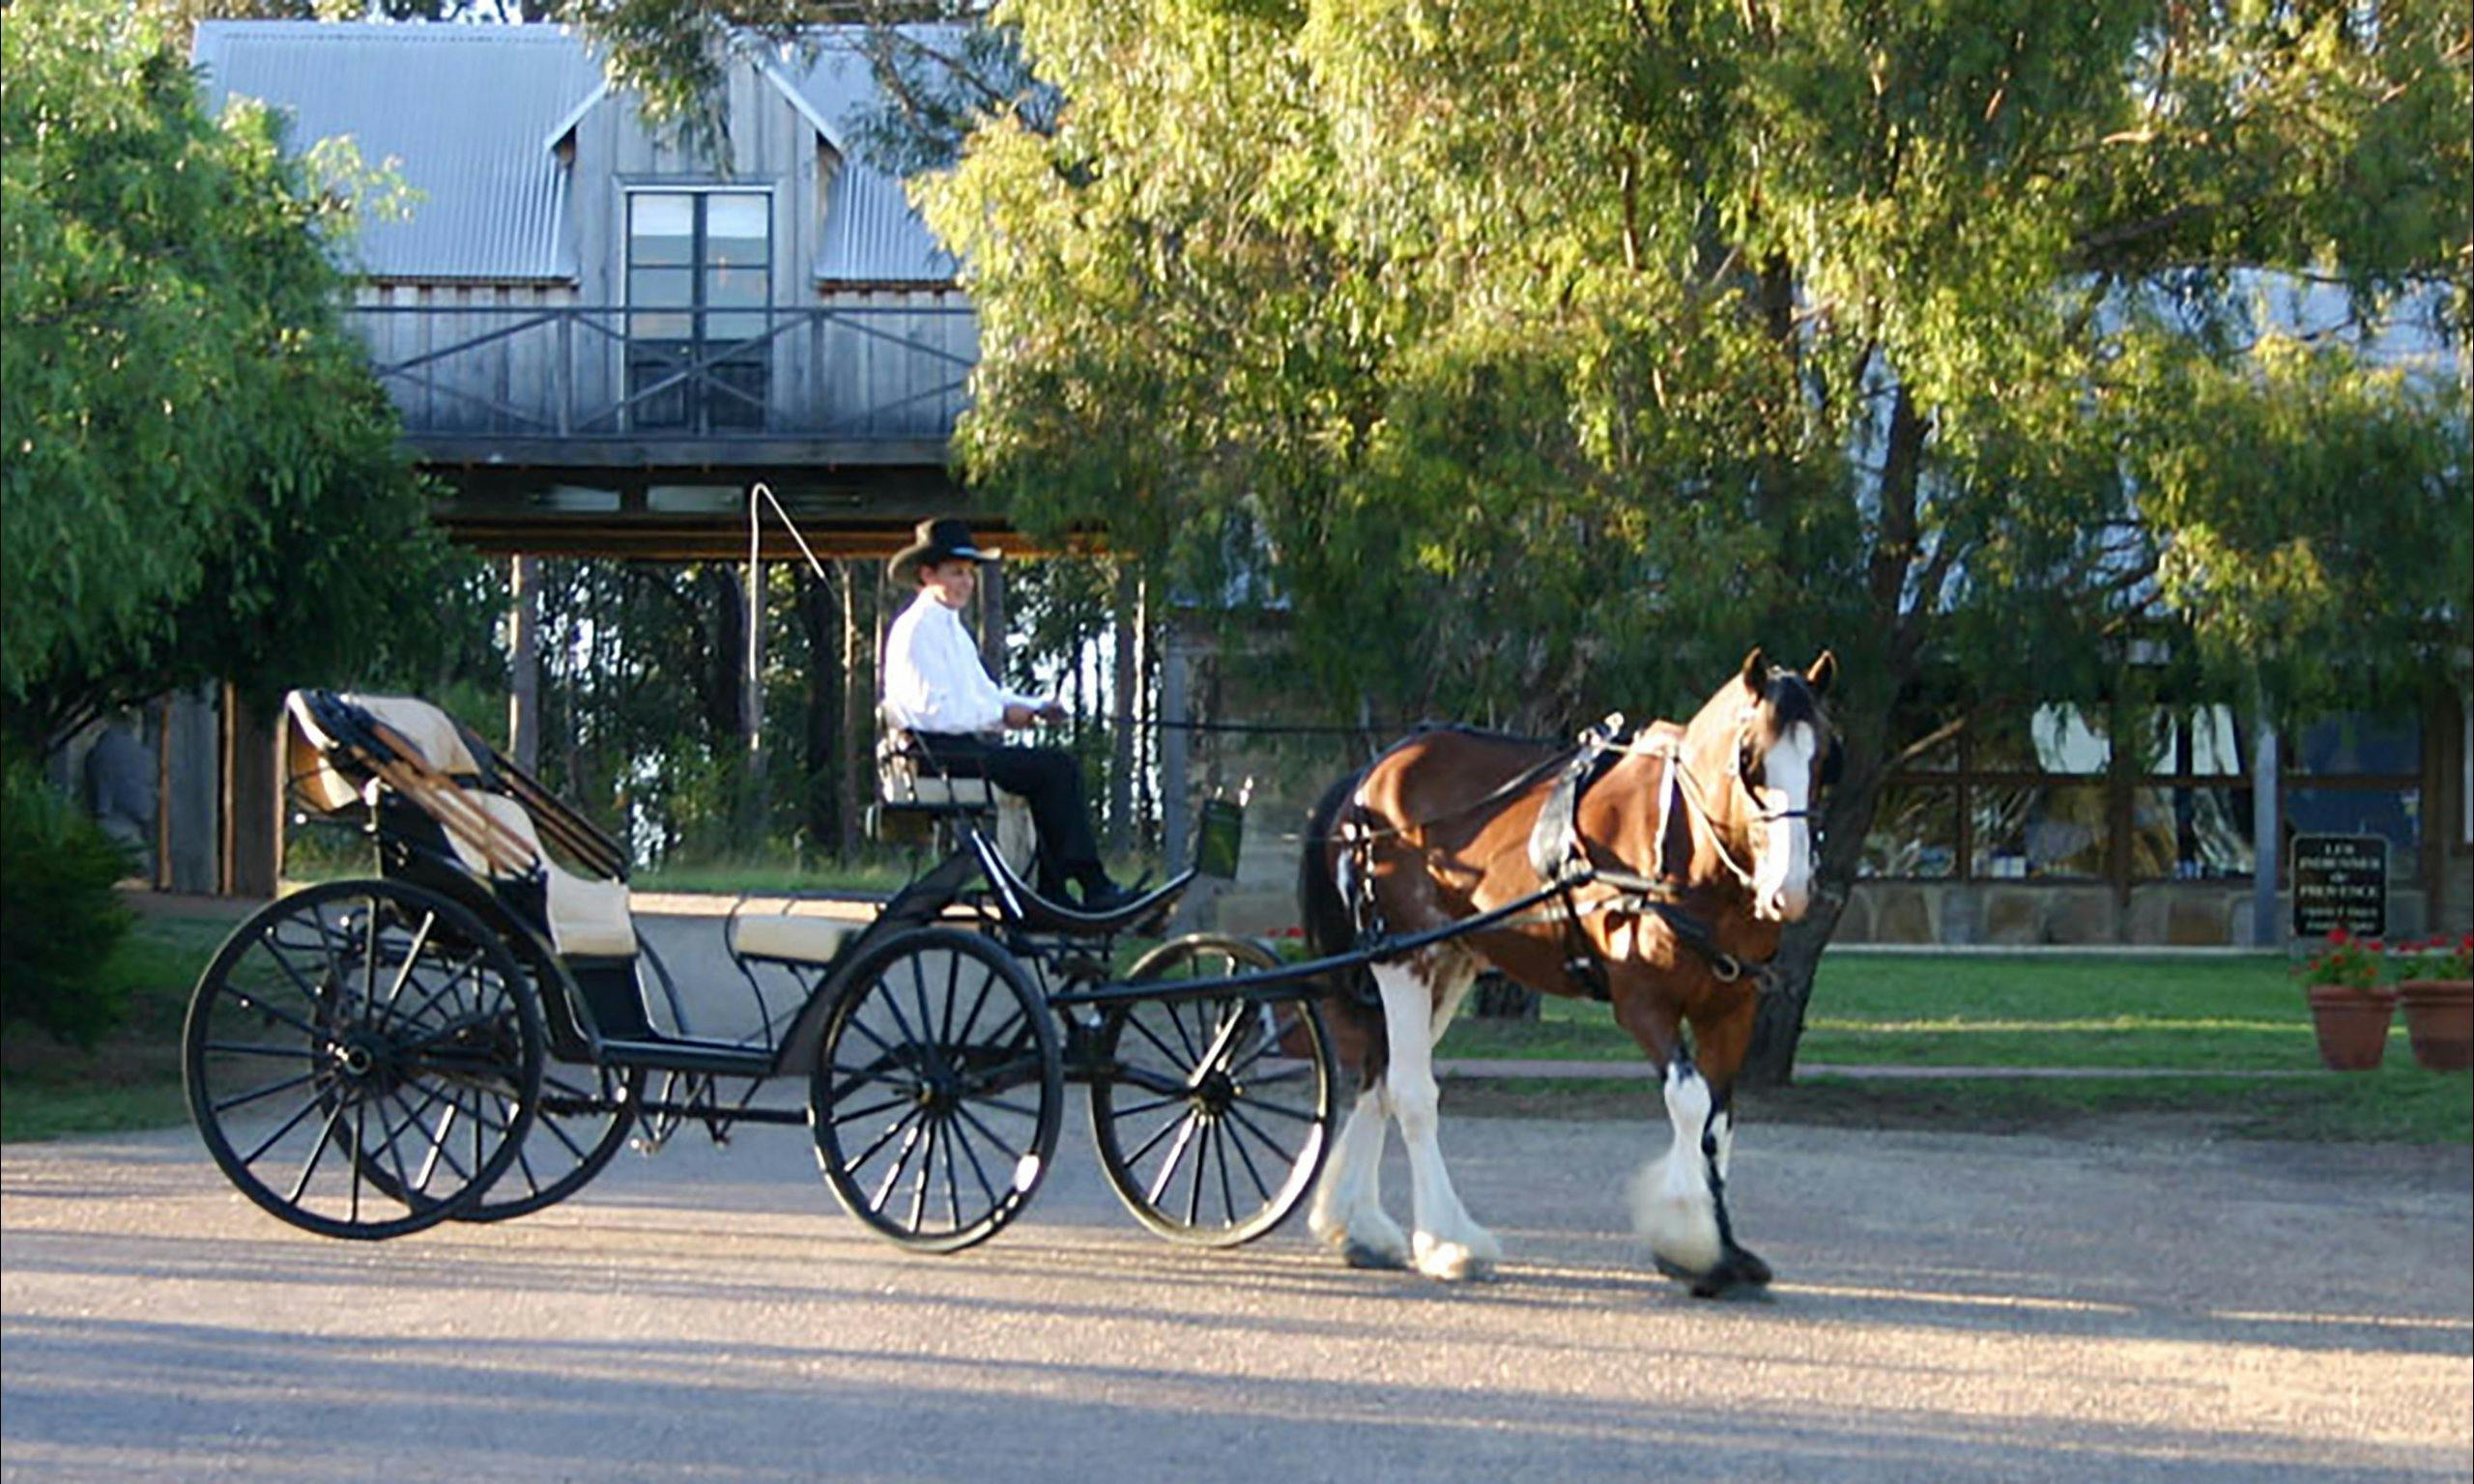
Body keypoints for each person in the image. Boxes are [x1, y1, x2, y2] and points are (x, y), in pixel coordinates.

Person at [880, 518, 1135, 910]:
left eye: (968, 573)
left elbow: (984, 694)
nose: (966, 582)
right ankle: (1087, 885)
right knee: (1053, 769)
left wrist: (1036, 707)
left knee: (1052, 768)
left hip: (956, 748)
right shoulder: (917, 628)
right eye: (956, 573)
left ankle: (1051, 890)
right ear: (927, 573)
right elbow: (936, 712)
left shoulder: (950, 627)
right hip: (935, 755)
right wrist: (1003, 713)